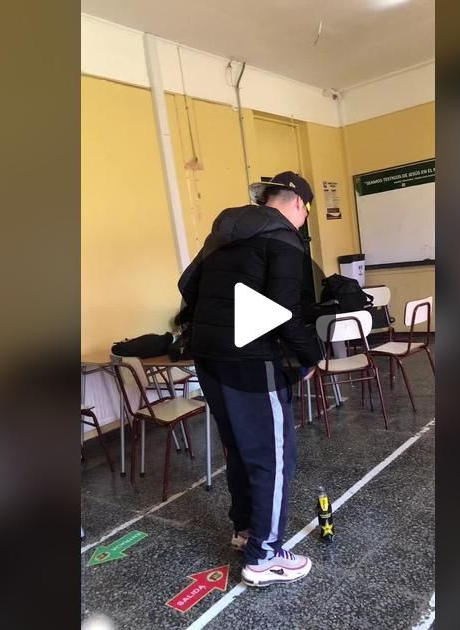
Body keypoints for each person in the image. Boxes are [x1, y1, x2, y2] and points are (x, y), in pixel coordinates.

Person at [178, 171, 321, 587]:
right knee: (275, 458)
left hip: (208, 355)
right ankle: (266, 555)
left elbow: (187, 286)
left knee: (240, 447)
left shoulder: (222, 233)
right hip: (251, 359)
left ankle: (244, 530)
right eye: (306, 212)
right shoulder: (283, 238)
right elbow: (286, 310)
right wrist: (312, 355)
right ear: (298, 205)